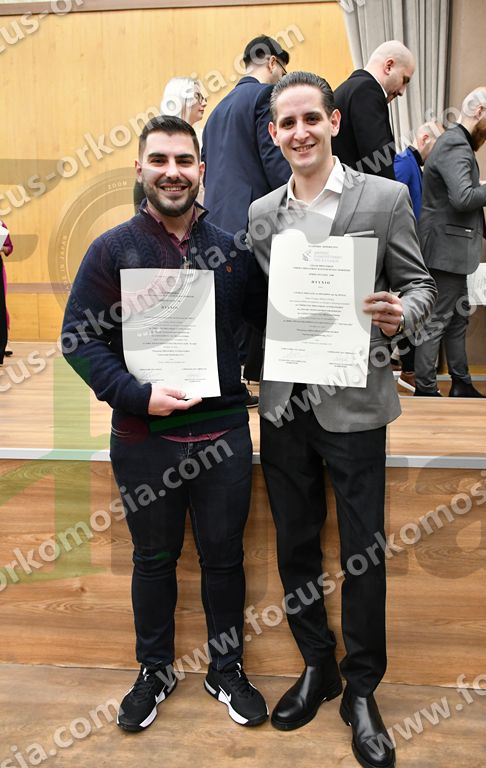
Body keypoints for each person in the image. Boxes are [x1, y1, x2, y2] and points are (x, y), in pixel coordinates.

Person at [248, 71, 436, 768]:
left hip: (355, 402)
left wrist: (402, 313)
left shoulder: (384, 198)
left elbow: (420, 286)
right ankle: (317, 665)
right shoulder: (262, 213)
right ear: (275, 134)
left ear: (332, 122)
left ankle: (361, 688)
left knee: (362, 553)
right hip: (284, 406)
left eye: (311, 118)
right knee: (296, 544)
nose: (300, 132)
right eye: (287, 122)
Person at [61, 116, 268, 733]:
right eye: (159, 160)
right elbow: (77, 338)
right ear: (141, 169)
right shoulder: (112, 249)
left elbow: (269, 321)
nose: (172, 172)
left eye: (183, 161)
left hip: (223, 435)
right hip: (143, 438)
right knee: (152, 560)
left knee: (224, 559)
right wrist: (134, 394)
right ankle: (154, 671)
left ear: (201, 170)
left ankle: (225, 669)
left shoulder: (233, 250)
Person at [202, 35, 292, 387]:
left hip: (215, 221)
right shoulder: (264, 97)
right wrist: (298, 198)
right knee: (258, 305)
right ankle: (247, 380)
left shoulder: (216, 111)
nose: (283, 76)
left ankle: (234, 381)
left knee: (229, 308)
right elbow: (274, 161)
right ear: (271, 62)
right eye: (283, 68)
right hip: (254, 221)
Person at [414, 86, 486, 397]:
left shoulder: (455, 142)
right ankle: (426, 390)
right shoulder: (456, 144)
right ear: (479, 112)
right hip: (445, 252)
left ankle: (461, 384)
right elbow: (463, 197)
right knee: (437, 321)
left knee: (456, 321)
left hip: (450, 251)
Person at [392, 120, 444, 391]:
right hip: (404, 248)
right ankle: (409, 370)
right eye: (437, 147)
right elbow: (392, 205)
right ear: (424, 139)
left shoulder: (413, 165)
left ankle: (409, 370)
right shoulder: (404, 162)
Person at [332, 41, 415, 180]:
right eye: (404, 80)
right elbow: (378, 163)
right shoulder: (367, 90)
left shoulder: (351, 88)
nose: (402, 91)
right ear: (389, 66)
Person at [133, 78, 207, 209]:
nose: (204, 103)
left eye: (185, 161)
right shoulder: (154, 138)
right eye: (197, 96)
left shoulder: (203, 138)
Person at [0, 221, 13, 365]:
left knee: (1, 305)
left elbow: (9, 248)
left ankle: (4, 342)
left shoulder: (1, 225)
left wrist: (1, 247)